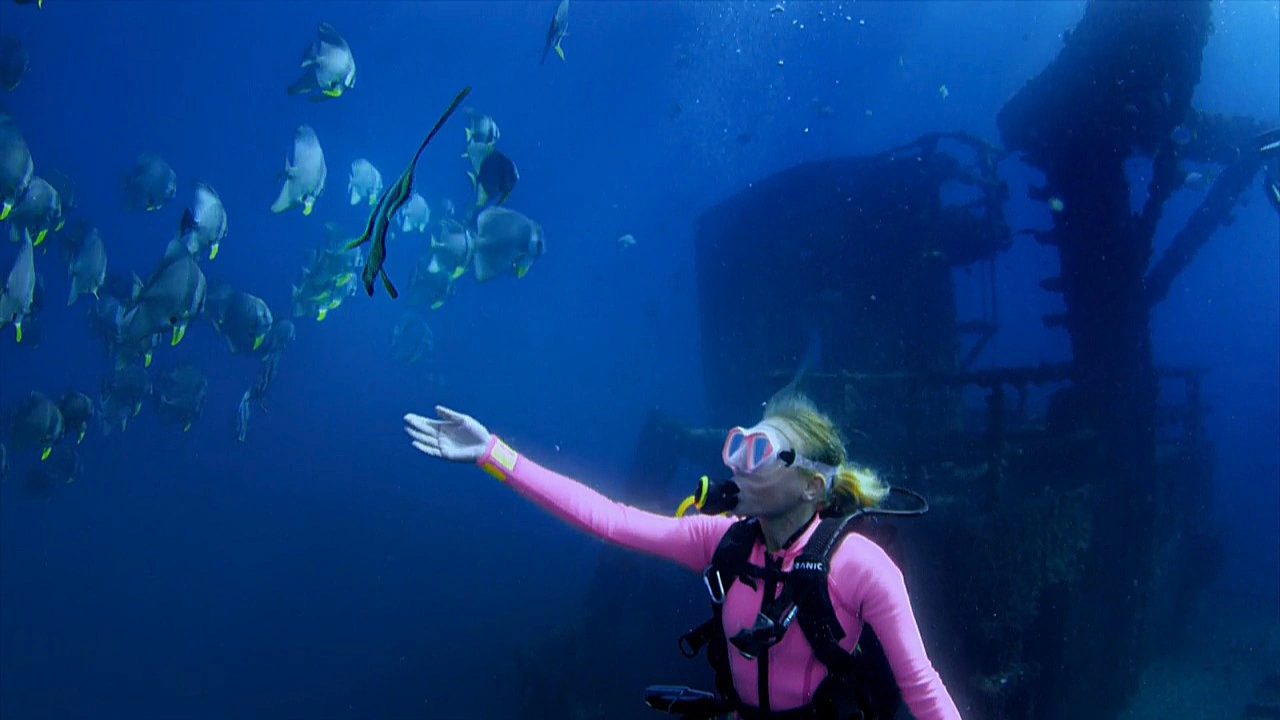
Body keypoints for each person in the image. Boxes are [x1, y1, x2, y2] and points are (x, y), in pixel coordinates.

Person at [404, 391, 963, 720]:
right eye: (738, 444)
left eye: (760, 451)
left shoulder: (859, 565)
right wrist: (493, 453)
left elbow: (922, 687)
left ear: (812, 486)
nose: (738, 463)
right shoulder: (720, 539)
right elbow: (609, 518)